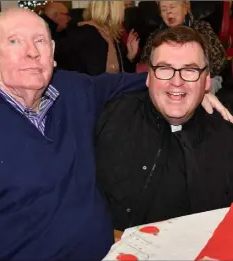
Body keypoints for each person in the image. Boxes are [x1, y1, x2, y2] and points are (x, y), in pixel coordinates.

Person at [0, 8, 231, 261]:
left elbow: (129, 81)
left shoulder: (72, 90)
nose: (31, 52)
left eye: (40, 40)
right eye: (14, 41)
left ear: (52, 51)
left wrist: (186, 89)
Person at [95, 26, 233, 232]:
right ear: (149, 76)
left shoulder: (226, 137)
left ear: (206, 81)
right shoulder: (111, 117)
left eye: (190, 70)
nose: (176, 82)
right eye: (164, 69)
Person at [139, 0, 227, 93]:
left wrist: (193, 74)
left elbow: (220, 59)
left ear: (185, 9)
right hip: (167, 80)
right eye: (164, 9)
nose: (168, 11)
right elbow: (144, 66)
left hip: (204, 78)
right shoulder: (155, 36)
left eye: (172, 7)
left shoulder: (202, 28)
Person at [55, 1, 140, 75]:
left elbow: (121, 75)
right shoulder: (85, 34)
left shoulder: (113, 34)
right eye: (124, 6)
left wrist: (129, 57)